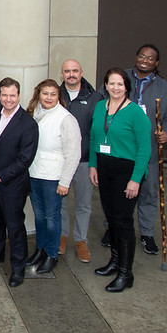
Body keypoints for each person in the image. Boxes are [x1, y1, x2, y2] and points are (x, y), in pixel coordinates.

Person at [103, 44, 167, 254]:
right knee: (116, 195)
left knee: (147, 193)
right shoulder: (121, 77)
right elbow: (102, 104)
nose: (145, 60)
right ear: (136, 57)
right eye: (142, 56)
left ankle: (146, 233)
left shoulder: (165, 88)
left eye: (151, 58)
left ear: (157, 63)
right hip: (120, 150)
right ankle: (112, 229)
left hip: (149, 152)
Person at [89, 68, 152, 292]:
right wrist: (94, 165)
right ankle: (114, 262)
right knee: (112, 218)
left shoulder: (136, 113)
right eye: (111, 83)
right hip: (104, 168)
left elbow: (145, 149)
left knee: (123, 220)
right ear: (105, 85)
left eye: (120, 84)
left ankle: (126, 273)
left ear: (127, 87)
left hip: (126, 171)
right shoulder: (100, 107)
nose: (115, 88)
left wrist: (135, 180)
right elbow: (95, 137)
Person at [0, 77, 39, 288]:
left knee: (14, 227)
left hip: (12, 185)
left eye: (12, 95)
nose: (8, 99)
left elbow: (24, 159)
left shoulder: (28, 123)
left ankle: (18, 268)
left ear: (19, 96)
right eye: (4, 95)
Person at [25, 79, 81, 274]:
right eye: (45, 93)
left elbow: (73, 153)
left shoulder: (66, 119)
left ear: (59, 96)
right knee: (39, 217)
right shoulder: (33, 114)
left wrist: (65, 181)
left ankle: (51, 254)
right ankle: (40, 249)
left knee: (51, 218)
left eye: (53, 94)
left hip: (53, 178)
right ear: (38, 95)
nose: (48, 98)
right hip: (34, 173)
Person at [58, 59, 103, 262]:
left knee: (84, 204)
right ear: (62, 74)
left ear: (82, 72)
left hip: (84, 161)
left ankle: (81, 240)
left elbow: (97, 133)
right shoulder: (55, 96)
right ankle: (62, 235)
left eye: (75, 71)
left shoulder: (95, 98)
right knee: (60, 202)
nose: (71, 74)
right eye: (67, 71)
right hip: (61, 160)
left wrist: (94, 163)